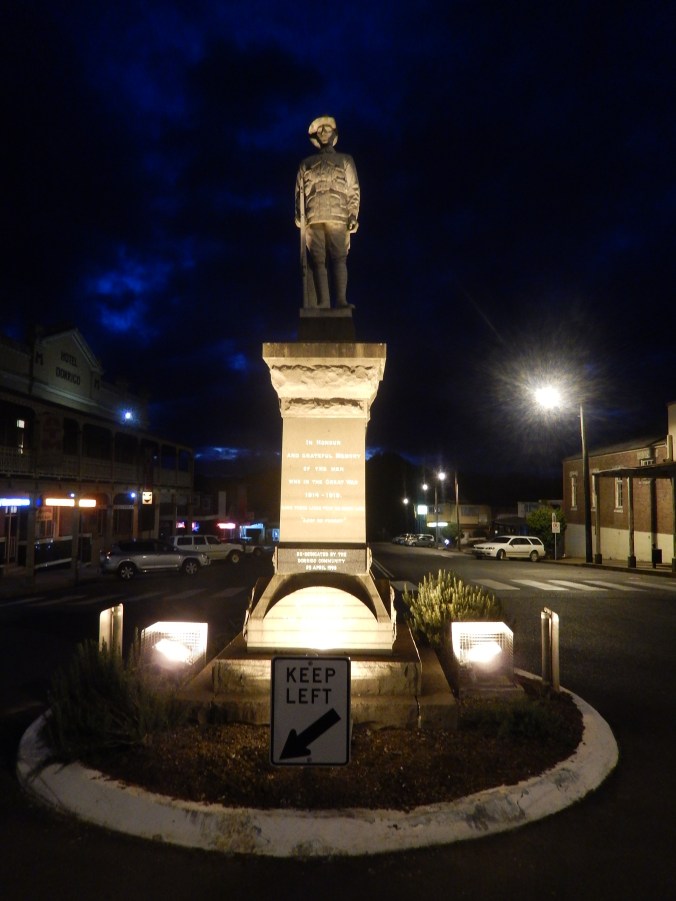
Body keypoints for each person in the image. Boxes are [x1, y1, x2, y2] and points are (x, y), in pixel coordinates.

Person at [295, 116, 360, 309]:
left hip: (338, 216)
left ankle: (340, 300)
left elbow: (353, 190)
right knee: (318, 261)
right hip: (313, 216)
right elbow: (299, 192)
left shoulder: (345, 160)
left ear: (334, 134)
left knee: (339, 258)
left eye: (327, 129)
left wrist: (353, 214)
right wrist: (299, 214)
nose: (324, 133)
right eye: (320, 130)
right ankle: (323, 302)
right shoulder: (306, 163)